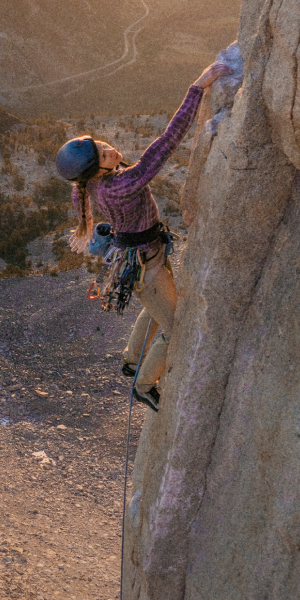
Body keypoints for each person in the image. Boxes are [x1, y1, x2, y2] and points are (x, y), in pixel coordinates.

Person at [54, 62, 228, 411]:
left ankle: (132, 360)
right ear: (99, 169)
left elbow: (86, 214)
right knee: (175, 328)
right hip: (147, 265)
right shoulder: (122, 185)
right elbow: (166, 143)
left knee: (155, 307)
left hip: (134, 263)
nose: (112, 151)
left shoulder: (84, 188)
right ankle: (144, 383)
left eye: (103, 144)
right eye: (105, 155)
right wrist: (197, 88)